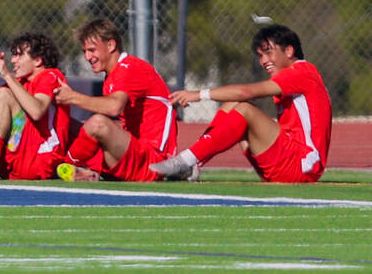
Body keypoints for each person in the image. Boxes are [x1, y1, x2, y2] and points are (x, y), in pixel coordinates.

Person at [150, 24, 331, 182]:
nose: (264, 61)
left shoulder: (301, 71)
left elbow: (247, 92)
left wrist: (199, 94)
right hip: (288, 163)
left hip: (302, 166)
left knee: (244, 108)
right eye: (260, 56)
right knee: (233, 103)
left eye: (268, 53)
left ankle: (185, 160)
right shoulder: (293, 75)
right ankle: (194, 163)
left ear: (289, 51)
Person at [53, 18, 176, 182]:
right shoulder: (112, 76)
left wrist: (72, 97)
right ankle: (86, 171)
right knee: (69, 124)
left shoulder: (129, 68)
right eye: (85, 51)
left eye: (92, 50)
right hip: (132, 155)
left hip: (153, 162)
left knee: (98, 124)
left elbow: (114, 107)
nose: (88, 57)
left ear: (111, 45)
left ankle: (66, 165)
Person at [0, 32, 72, 181]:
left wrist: (6, 74)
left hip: (39, 158)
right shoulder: (21, 81)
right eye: (13, 55)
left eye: (19, 55)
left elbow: (37, 111)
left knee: (3, 94)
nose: (13, 60)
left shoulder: (50, 75)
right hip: (17, 154)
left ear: (38, 60)